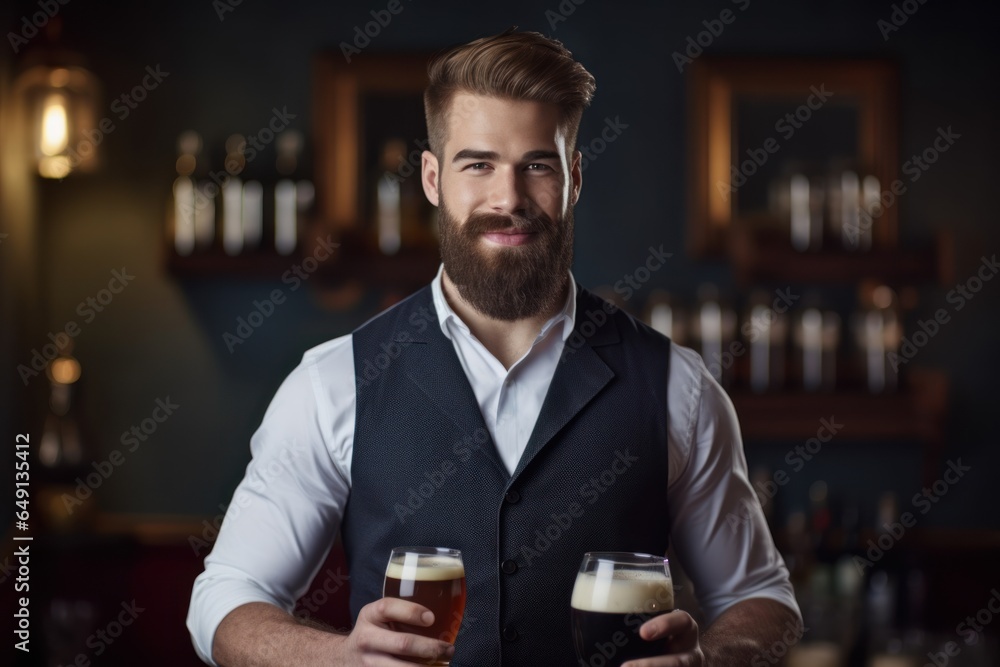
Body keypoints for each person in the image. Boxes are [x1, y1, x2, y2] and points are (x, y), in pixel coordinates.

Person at [187, 28, 801, 666]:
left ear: (575, 179)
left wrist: (714, 660)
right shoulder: (332, 382)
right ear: (431, 178)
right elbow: (225, 596)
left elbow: (762, 598)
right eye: (477, 164)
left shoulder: (679, 386)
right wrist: (336, 660)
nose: (508, 199)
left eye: (537, 165)